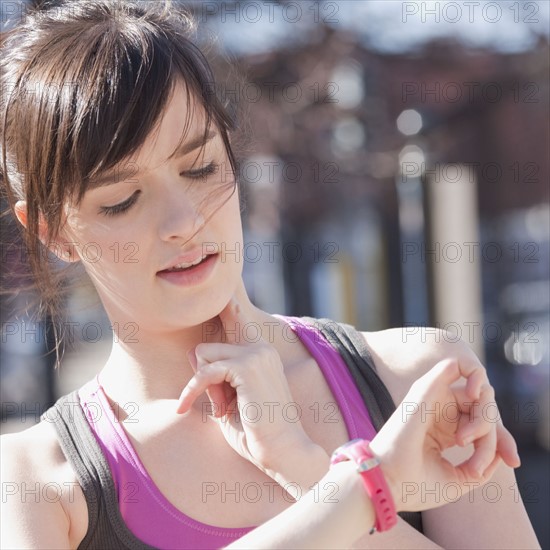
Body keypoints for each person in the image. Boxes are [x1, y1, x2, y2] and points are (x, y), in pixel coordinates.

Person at [0, 1, 540, 548]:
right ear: (52, 231)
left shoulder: (415, 383)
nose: (183, 222)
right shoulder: (37, 482)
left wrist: (299, 463)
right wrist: (360, 489)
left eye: (200, 167)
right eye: (122, 200)